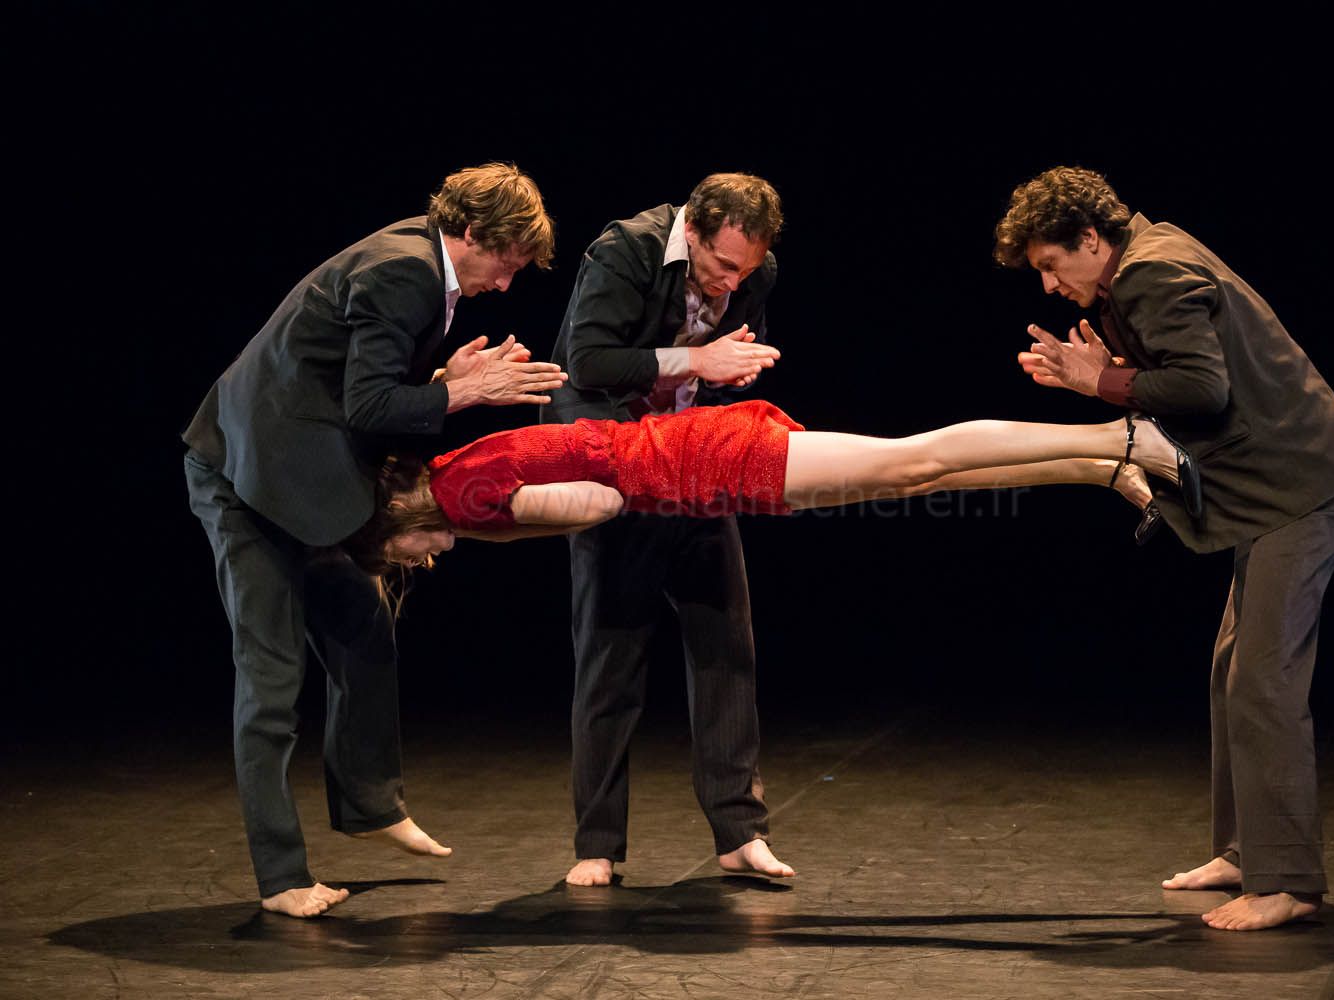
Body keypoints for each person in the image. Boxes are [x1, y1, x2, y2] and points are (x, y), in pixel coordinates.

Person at [994, 166, 1334, 931]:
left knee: (1264, 680)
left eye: (1050, 264)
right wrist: (1103, 376)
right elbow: (1177, 376)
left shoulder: (1151, 272)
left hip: (1303, 489)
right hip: (1277, 492)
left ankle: (1288, 879)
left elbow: (1204, 389)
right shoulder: (1140, 262)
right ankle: (1244, 850)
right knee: (1234, 669)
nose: (1048, 285)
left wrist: (1102, 382)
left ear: (1090, 239)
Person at [183, 162, 567, 918]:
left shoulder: (422, 263)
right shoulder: (406, 271)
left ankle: (369, 804)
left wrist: (442, 375)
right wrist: (462, 391)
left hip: (299, 470)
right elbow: (367, 407)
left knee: (364, 626)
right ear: (470, 232)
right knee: (270, 678)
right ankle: (281, 877)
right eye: (505, 262)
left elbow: (362, 376)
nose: (505, 284)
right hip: (246, 479)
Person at [542, 173, 791, 886]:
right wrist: (698, 360)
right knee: (611, 652)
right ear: (694, 231)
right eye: (721, 266)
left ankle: (740, 833)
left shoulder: (755, 268)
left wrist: (731, 374)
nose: (731, 283)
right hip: (613, 456)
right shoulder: (624, 250)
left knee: (726, 643)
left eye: (745, 271)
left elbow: (730, 353)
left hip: (691, 456)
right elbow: (587, 361)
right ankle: (597, 844)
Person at [344, 399, 1182, 567]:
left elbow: (601, 501)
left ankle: (1120, 434)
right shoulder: (460, 470)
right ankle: (1101, 467)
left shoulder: (465, 498)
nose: (422, 562)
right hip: (711, 465)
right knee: (913, 480)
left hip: (714, 459)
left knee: (918, 458)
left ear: (396, 521)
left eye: (400, 557)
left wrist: (508, 529)